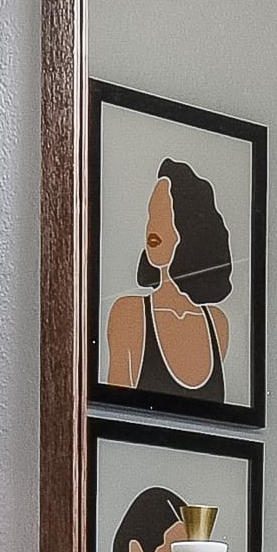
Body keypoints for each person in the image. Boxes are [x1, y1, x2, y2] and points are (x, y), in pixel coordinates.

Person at [100, 158, 237, 404]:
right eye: (151, 216)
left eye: (164, 218)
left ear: (189, 228)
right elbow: (116, 410)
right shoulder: (128, 314)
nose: (152, 228)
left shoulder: (218, 324)